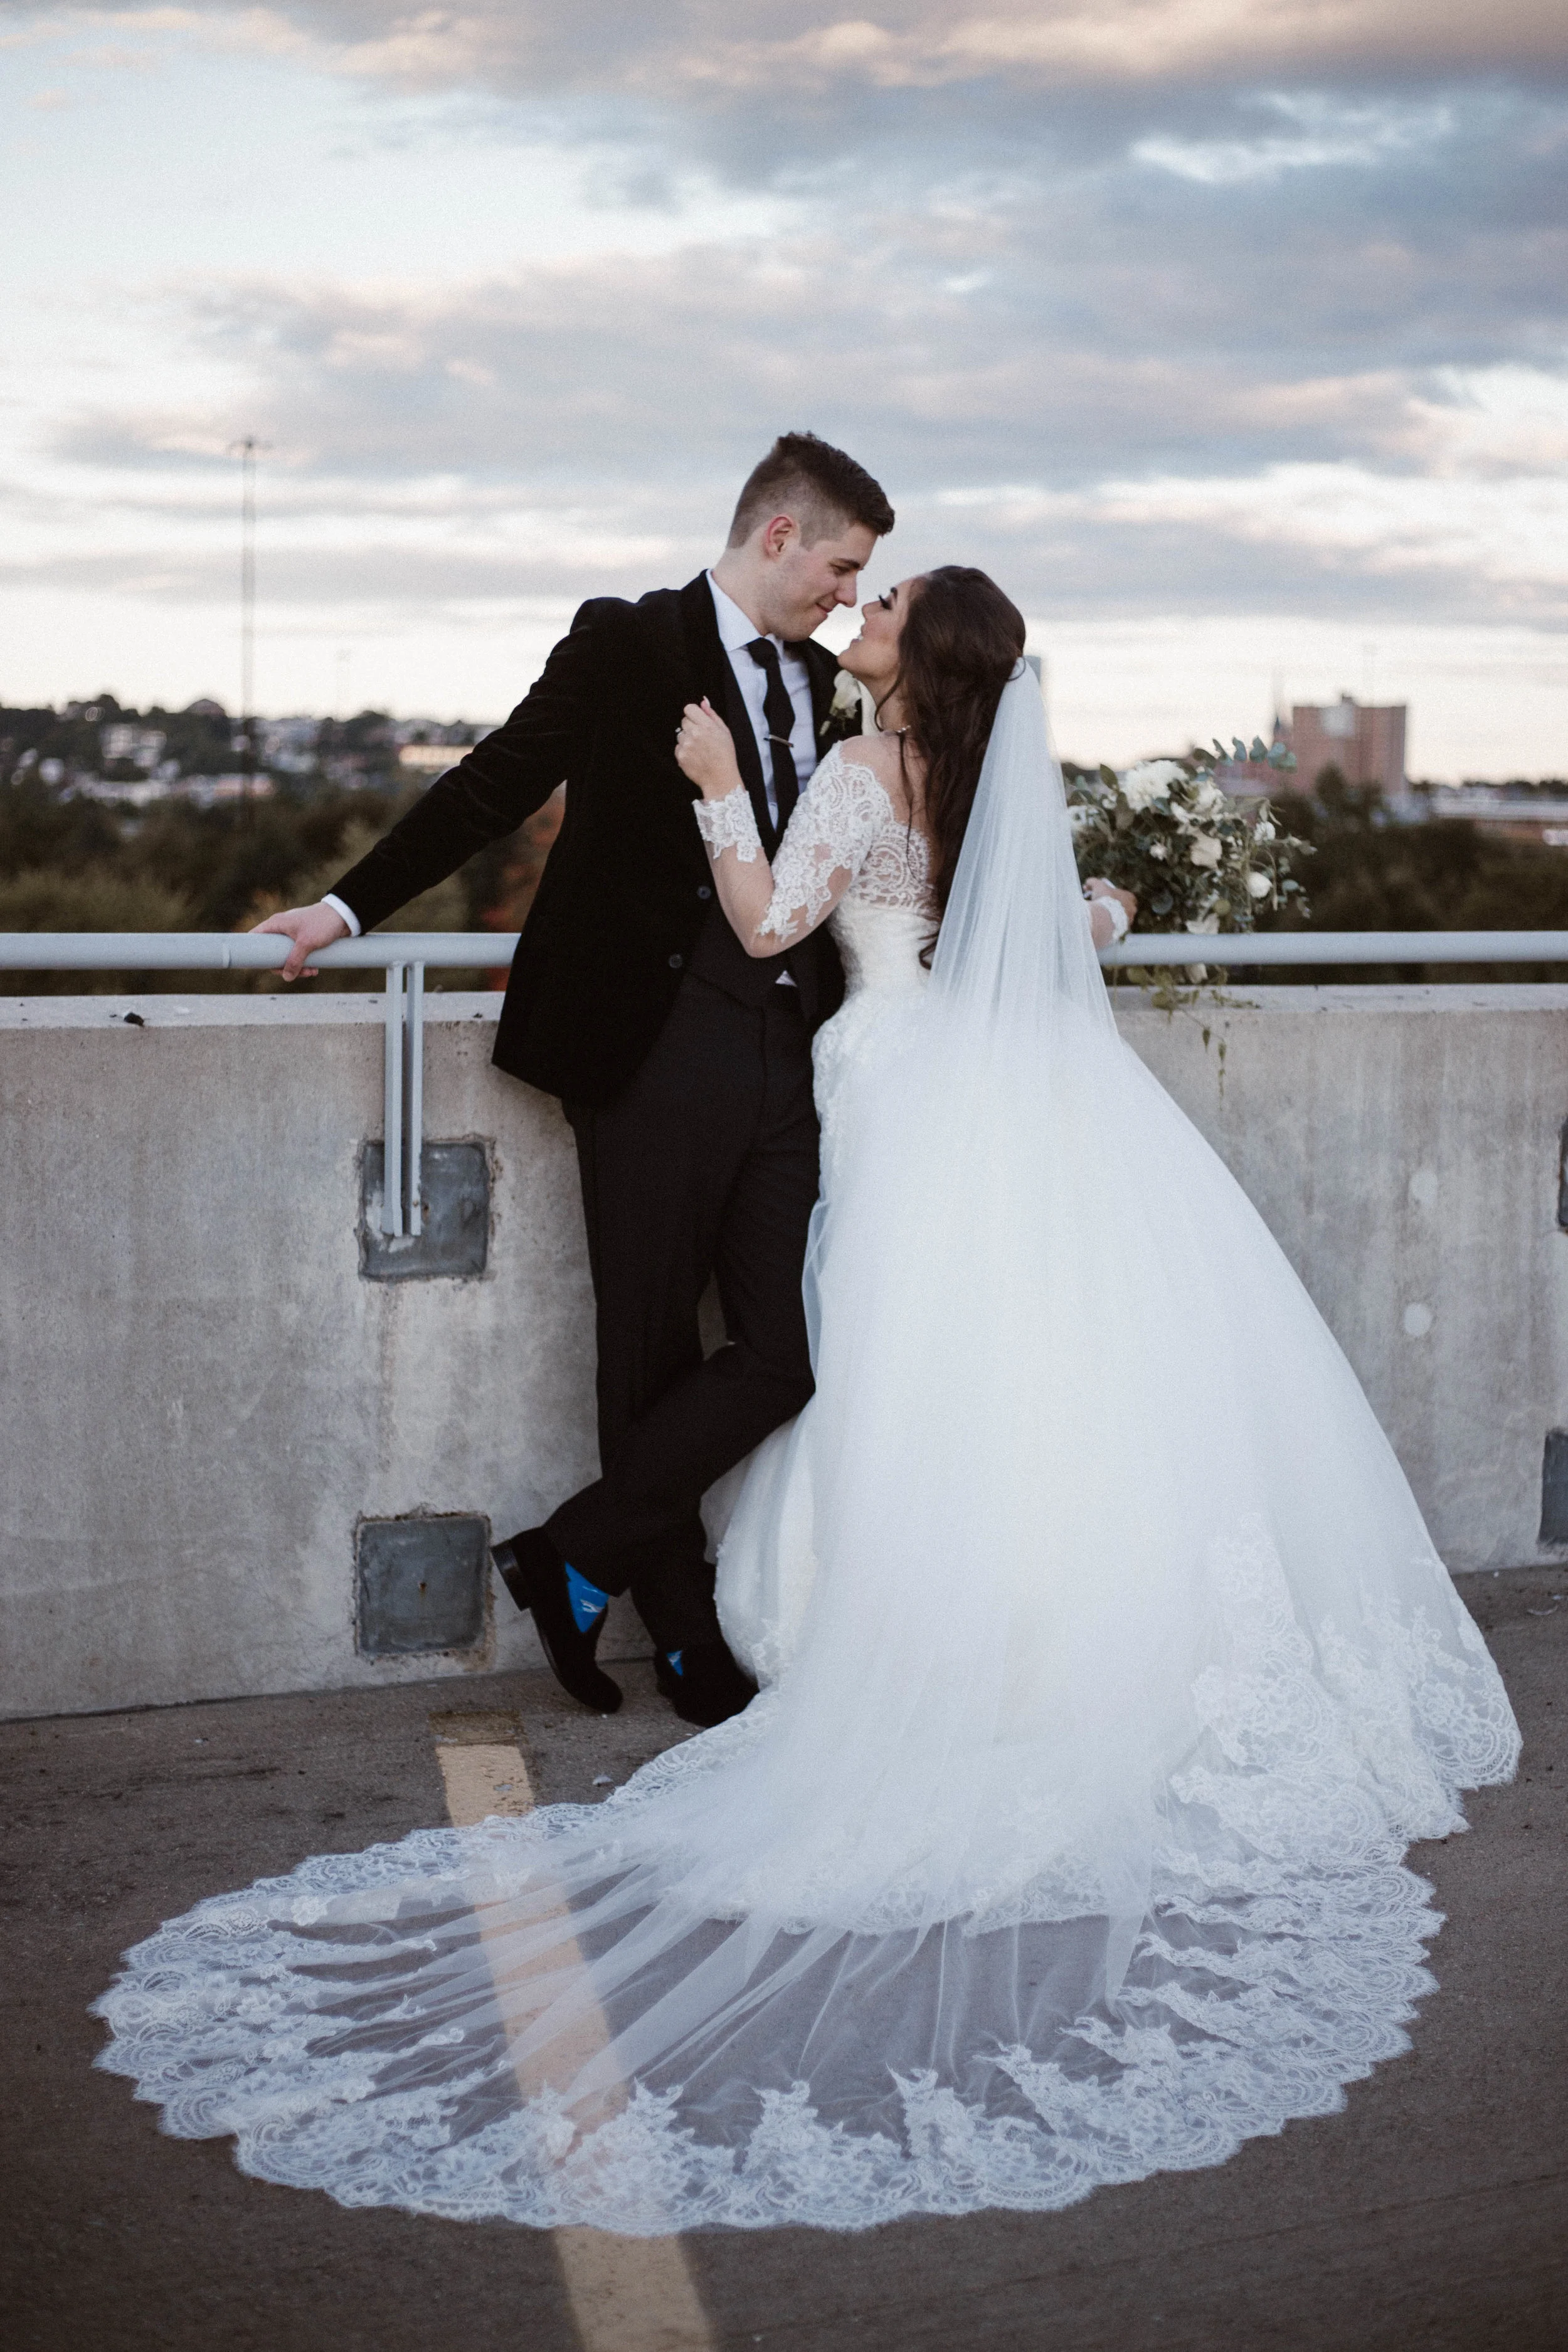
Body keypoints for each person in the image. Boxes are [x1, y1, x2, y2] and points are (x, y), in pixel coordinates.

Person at [98, 568, 1518, 2235]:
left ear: (917, 659)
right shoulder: (995, 779)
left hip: (900, 1087)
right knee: (1018, 1367)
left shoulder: (856, 768)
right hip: (1008, 1087)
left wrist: (715, 798)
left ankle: (872, 1627)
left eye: (887, 600)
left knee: (903, 1365)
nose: (865, 608)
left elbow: (775, 927)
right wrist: (1120, 916)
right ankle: (1043, 1638)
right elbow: (1041, 930)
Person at [254, 432, 896, 1729]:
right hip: (649, 1043)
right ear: (777, 535)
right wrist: (343, 909)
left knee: (786, 1349)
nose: (845, 594)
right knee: (648, 1344)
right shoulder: (630, 642)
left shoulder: (832, 689)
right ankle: (678, 1628)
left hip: (792, 1045)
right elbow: (494, 783)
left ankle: (574, 1550)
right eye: (840, 566)